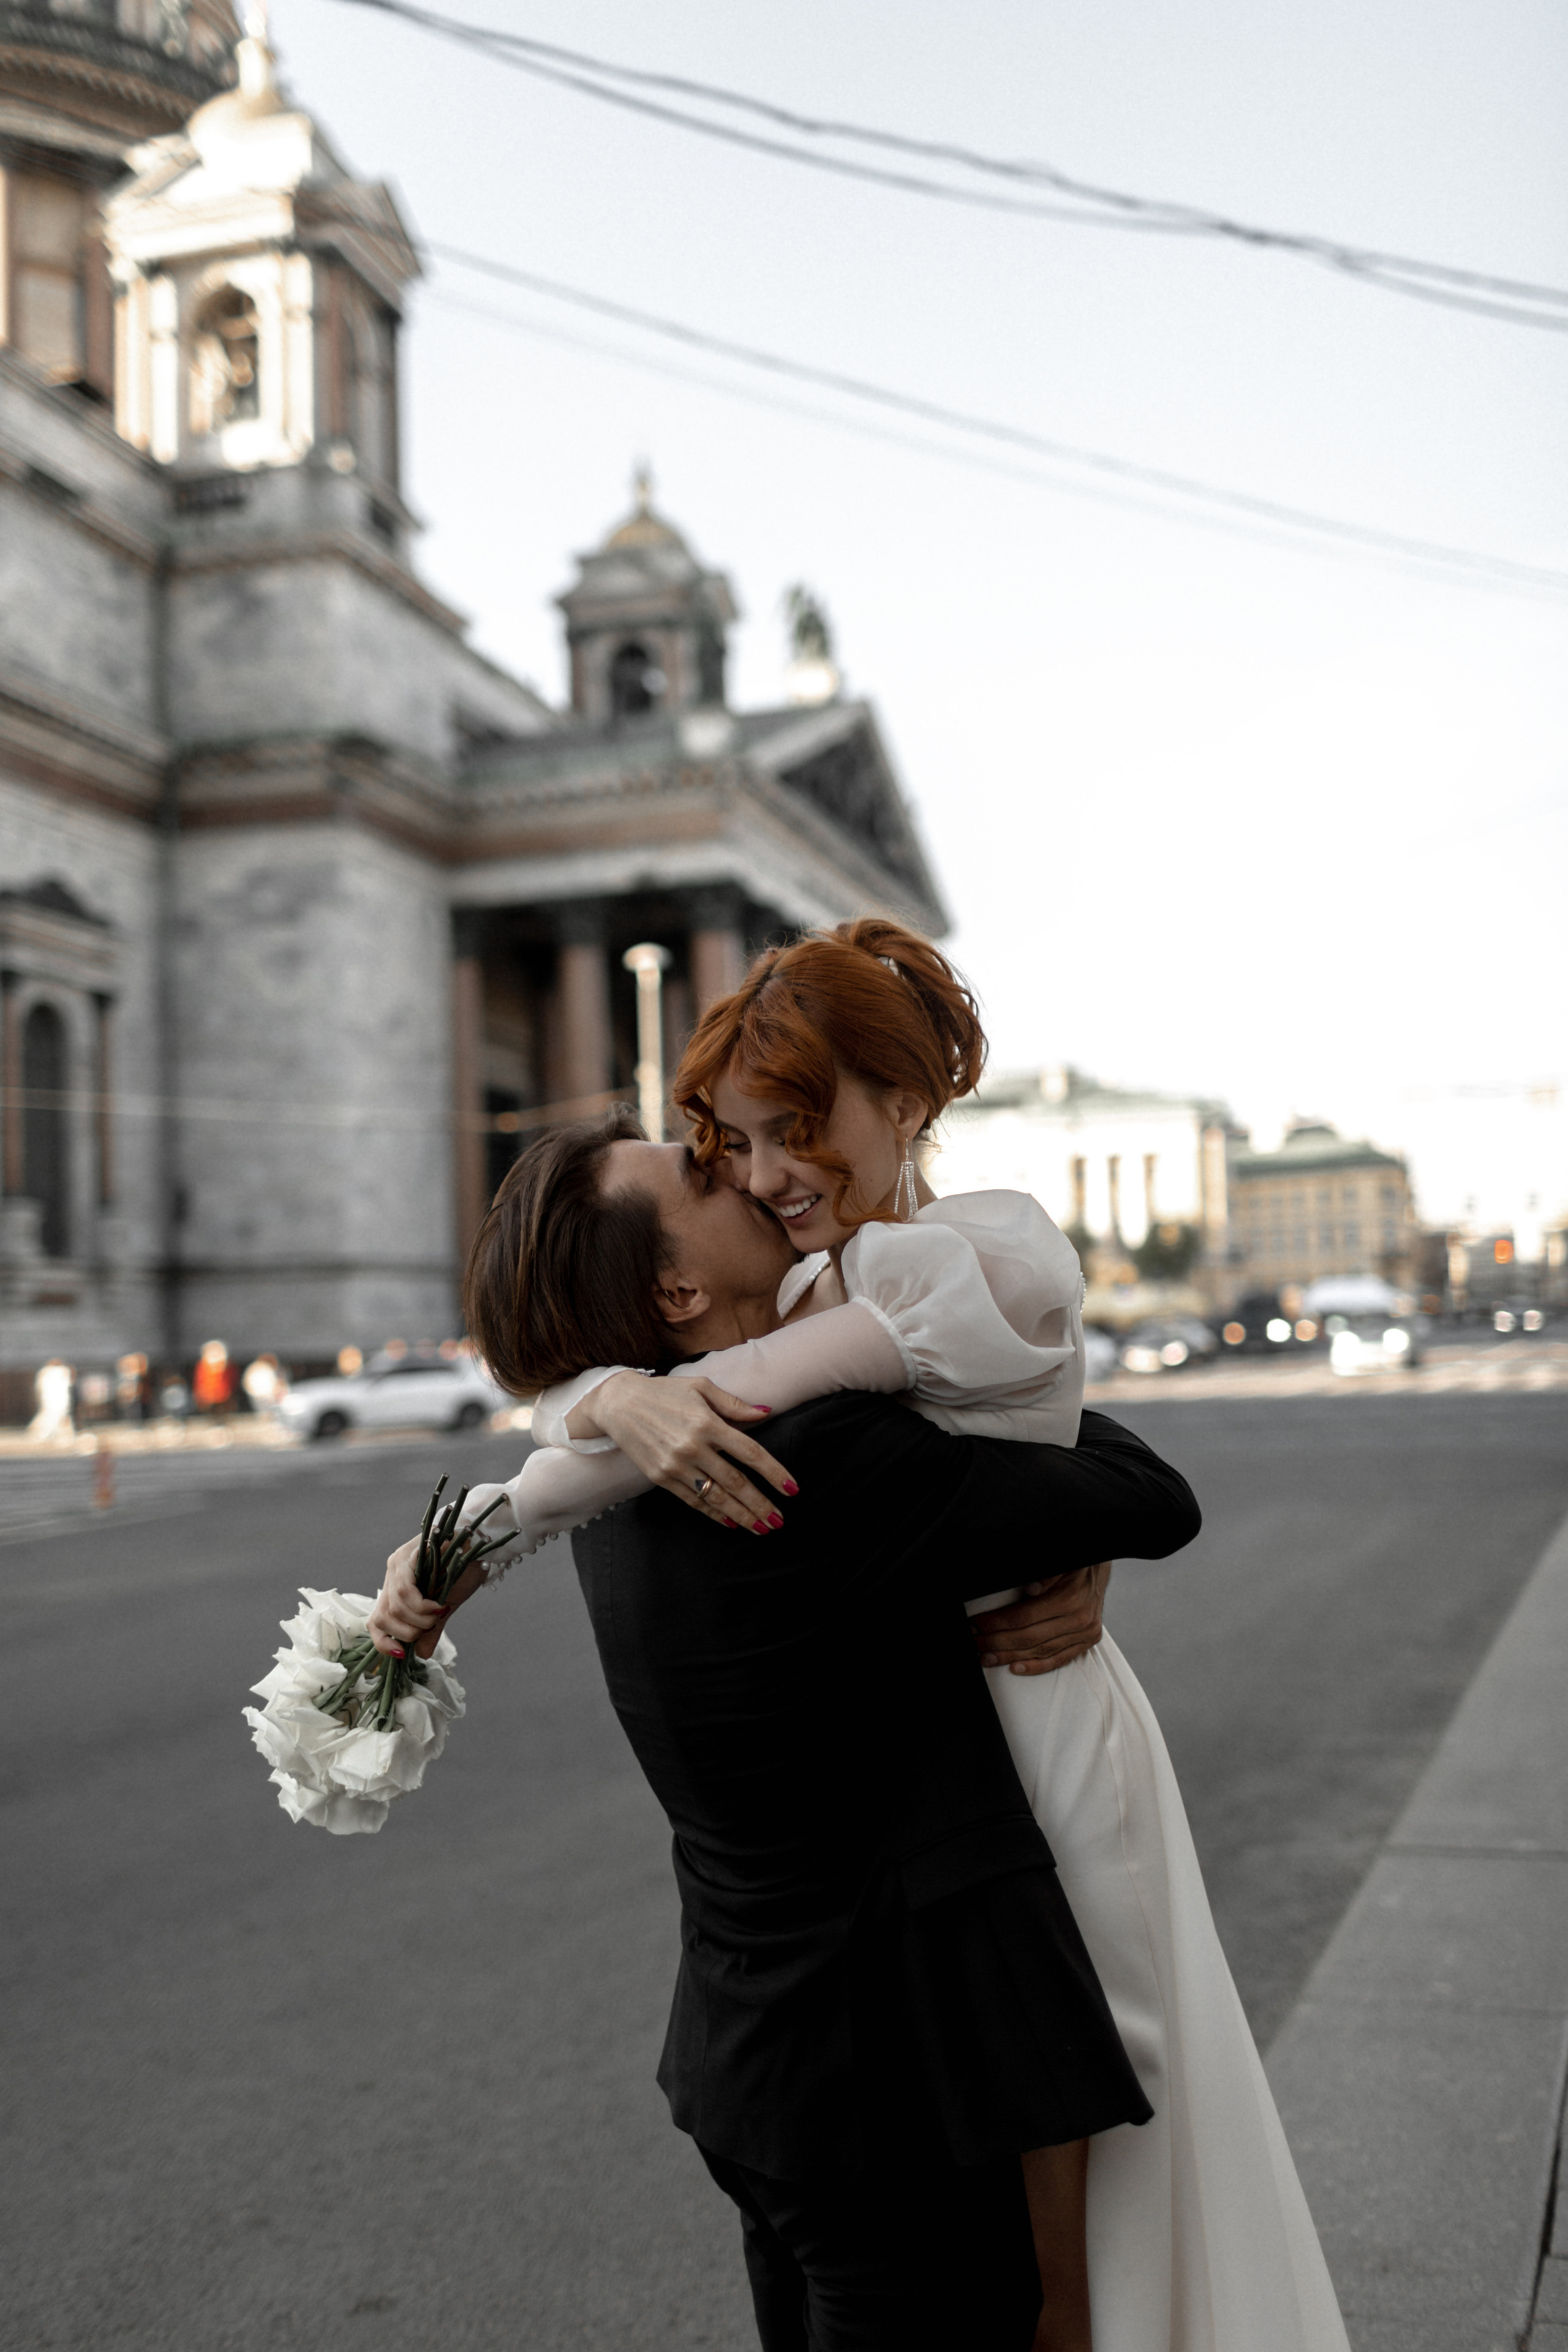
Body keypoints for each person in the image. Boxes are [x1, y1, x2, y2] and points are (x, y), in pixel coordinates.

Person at [374, 921, 1349, 2349]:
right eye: (716, 1162)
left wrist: (597, 1404)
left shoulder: (637, 1473)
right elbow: (1142, 1487)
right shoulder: (805, 1458)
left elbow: (569, 1459)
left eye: (771, 1136)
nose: (757, 1179)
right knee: (1070, 2272)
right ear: (670, 1298)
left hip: (747, 2065)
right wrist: (1075, 1533)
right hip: (888, 2082)